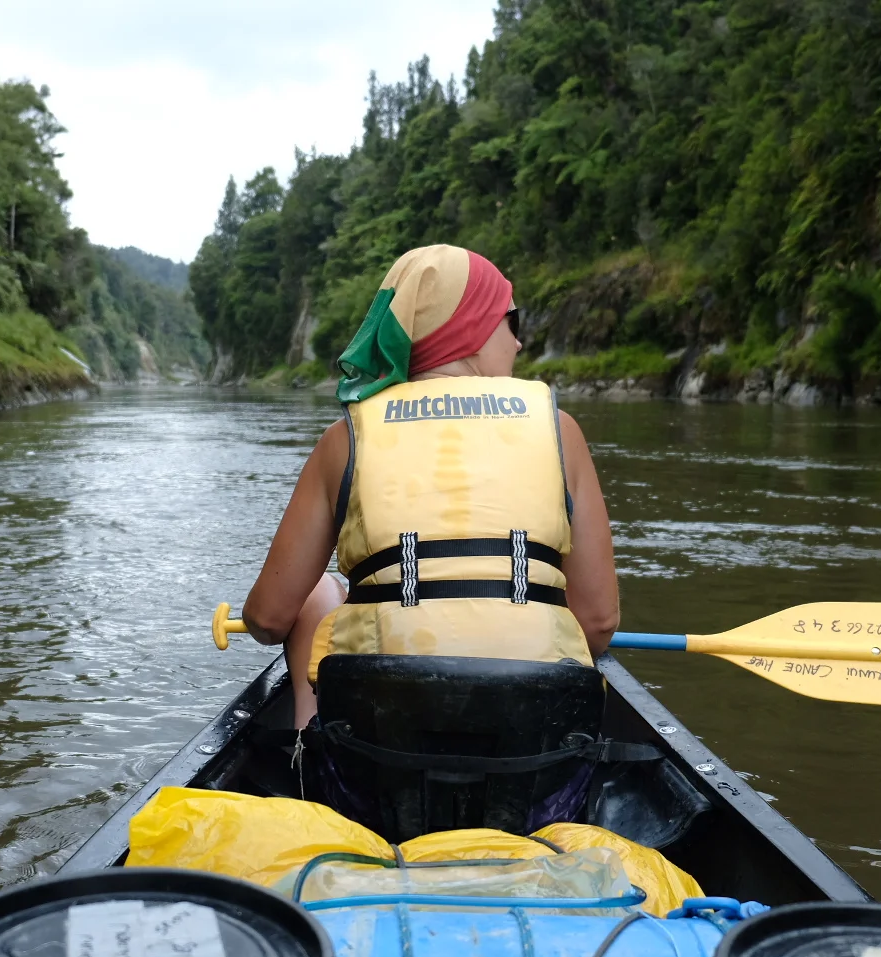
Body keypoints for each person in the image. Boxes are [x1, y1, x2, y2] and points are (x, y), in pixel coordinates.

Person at [239, 244, 620, 727]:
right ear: (472, 325)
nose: (519, 344)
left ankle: (304, 746)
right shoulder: (559, 428)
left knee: (318, 591)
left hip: (375, 754)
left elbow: (268, 619)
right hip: (534, 763)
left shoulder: (346, 437)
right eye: (512, 321)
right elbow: (598, 624)